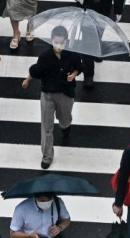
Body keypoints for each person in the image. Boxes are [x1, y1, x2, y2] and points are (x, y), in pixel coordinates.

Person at [22, 25, 83, 169]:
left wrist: (74, 74)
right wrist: (27, 79)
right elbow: (36, 70)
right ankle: (47, 156)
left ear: (66, 41)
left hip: (66, 93)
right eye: (56, 42)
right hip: (48, 93)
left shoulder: (73, 55)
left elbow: (79, 67)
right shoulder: (45, 57)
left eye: (62, 43)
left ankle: (65, 126)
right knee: (46, 127)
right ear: (51, 41)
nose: (59, 46)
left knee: (64, 118)